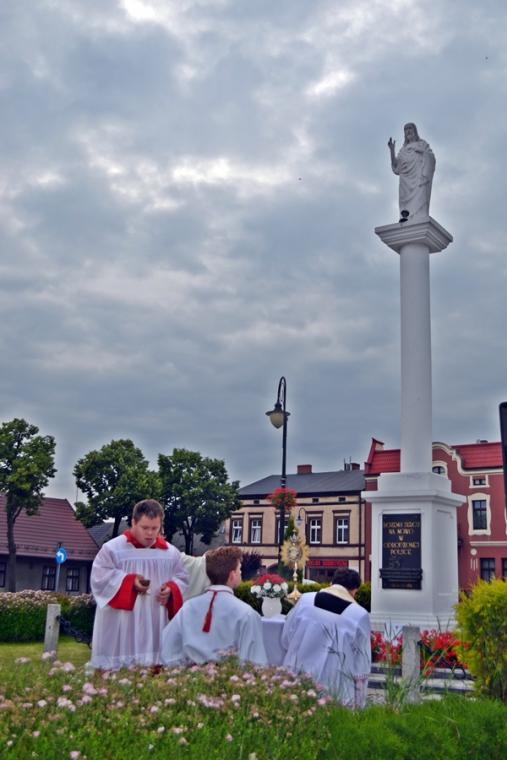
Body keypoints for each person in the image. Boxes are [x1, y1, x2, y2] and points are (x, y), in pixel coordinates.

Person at [89, 499, 189, 670]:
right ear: (134, 522)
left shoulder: (171, 553)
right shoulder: (113, 549)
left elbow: (183, 578)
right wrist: (129, 582)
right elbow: (99, 578)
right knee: (117, 670)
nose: (150, 533)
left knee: (156, 670)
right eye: (145, 528)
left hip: (156, 619)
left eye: (155, 528)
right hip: (122, 622)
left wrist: (171, 589)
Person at [160, 546, 268, 667]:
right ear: (232, 575)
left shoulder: (188, 607)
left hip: (191, 676)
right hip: (228, 677)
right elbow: (255, 661)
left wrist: (183, 670)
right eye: (239, 569)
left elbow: (167, 647)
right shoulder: (247, 614)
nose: (241, 573)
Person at [282, 568, 371, 708]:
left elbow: (286, 637)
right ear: (354, 590)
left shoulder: (305, 600)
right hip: (335, 688)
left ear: (331, 583)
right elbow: (362, 663)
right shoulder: (358, 614)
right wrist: (360, 703)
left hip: (297, 677)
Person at [388, 122, 435, 223]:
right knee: (405, 205)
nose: (408, 131)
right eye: (406, 129)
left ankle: (419, 216)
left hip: (419, 178)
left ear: (414, 130)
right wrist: (392, 150)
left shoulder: (422, 144)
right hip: (405, 181)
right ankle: (406, 217)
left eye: (410, 128)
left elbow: (431, 157)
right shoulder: (403, 149)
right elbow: (396, 166)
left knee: (420, 199)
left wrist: (420, 151)